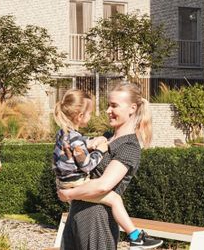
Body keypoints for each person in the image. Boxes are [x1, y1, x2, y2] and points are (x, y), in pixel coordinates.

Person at [57, 81, 161, 250]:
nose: (108, 111)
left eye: (114, 106)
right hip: (76, 214)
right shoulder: (105, 137)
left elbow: (103, 185)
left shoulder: (128, 146)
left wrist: (69, 193)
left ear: (132, 108)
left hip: (97, 220)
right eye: (108, 105)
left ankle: (137, 237)